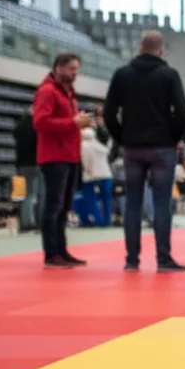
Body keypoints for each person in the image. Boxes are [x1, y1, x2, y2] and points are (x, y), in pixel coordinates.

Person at [103, 31, 185, 273]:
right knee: (162, 203)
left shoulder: (122, 75)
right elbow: (182, 113)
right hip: (162, 147)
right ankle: (163, 259)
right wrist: (172, 138)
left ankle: (132, 260)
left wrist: (122, 138)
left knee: (132, 202)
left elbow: (109, 113)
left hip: (132, 147)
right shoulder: (169, 74)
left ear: (140, 47)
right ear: (161, 50)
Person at [35, 53, 91, 267]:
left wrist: (77, 123)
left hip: (69, 155)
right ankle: (51, 253)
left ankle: (61, 250)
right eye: (71, 69)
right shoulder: (48, 91)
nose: (74, 73)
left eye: (76, 69)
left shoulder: (68, 94)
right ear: (58, 67)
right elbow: (40, 122)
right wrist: (73, 123)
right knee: (54, 204)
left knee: (64, 205)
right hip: (55, 156)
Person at [13, 106, 41, 233]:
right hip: (35, 163)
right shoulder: (37, 126)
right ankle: (33, 222)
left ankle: (24, 223)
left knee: (24, 195)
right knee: (36, 194)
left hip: (21, 164)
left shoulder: (19, 127)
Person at [79, 128, 113, 227]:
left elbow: (85, 160)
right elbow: (108, 151)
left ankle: (96, 220)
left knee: (92, 199)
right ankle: (106, 221)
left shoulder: (82, 145)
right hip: (106, 175)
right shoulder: (99, 145)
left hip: (91, 176)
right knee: (106, 200)